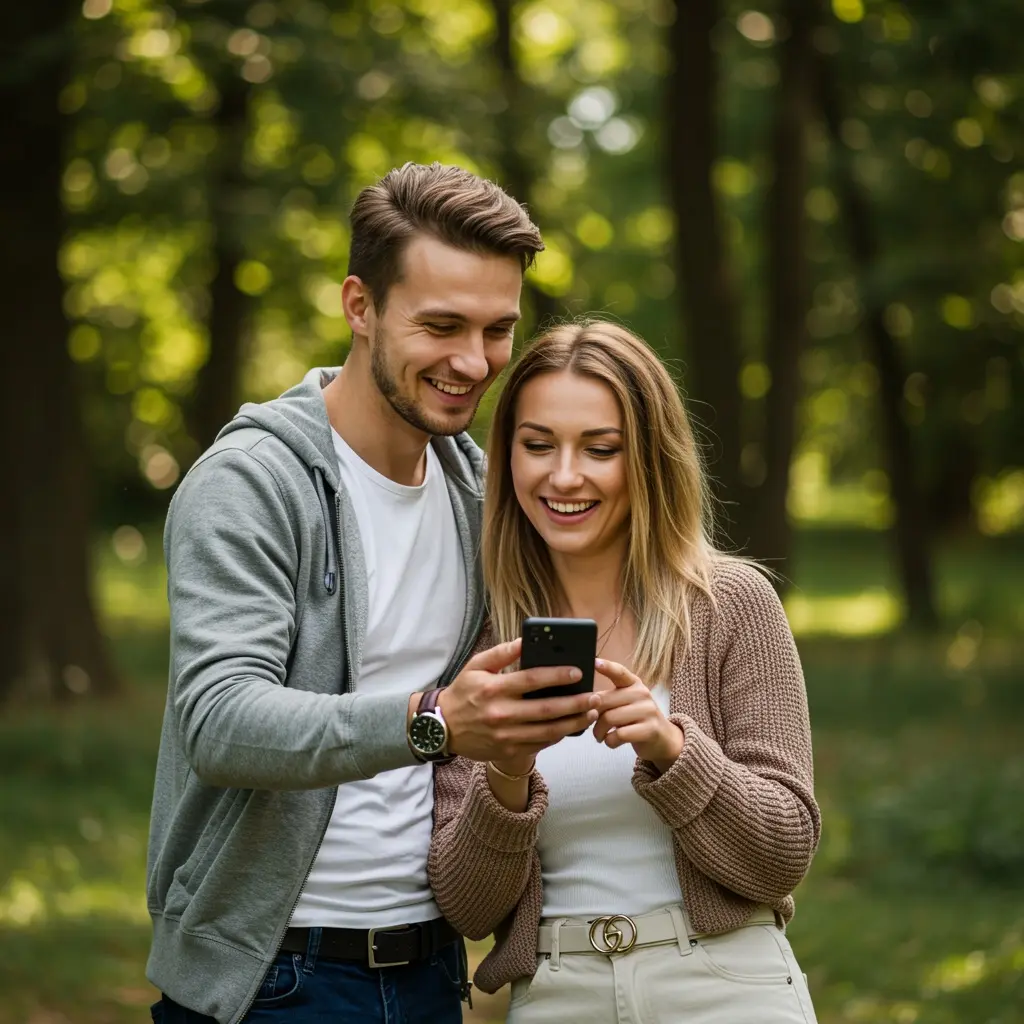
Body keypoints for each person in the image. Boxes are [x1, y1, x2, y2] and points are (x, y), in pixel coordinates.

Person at [146, 163, 600, 1024]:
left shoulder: (479, 492)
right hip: (273, 977)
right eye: (441, 325)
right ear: (360, 306)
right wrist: (432, 719)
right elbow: (219, 719)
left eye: (497, 329)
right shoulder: (252, 483)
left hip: (432, 973)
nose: (473, 362)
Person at [429, 319, 822, 1023]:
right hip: (557, 993)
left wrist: (673, 751)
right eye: (537, 444)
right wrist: (506, 773)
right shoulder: (479, 637)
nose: (565, 475)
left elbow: (782, 854)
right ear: (507, 455)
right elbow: (467, 907)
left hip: (725, 984)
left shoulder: (730, 605)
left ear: (649, 458)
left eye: (601, 448)